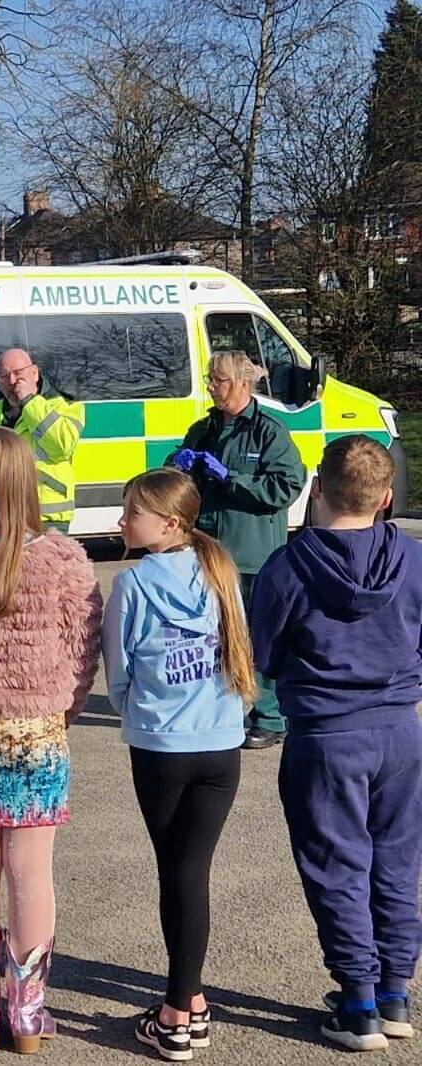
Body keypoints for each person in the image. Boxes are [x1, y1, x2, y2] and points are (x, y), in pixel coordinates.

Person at [248, 436, 422, 1052]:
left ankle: (359, 1000)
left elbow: (261, 656)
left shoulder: (288, 567)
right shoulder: (414, 558)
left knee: (337, 867)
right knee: (398, 861)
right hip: (402, 728)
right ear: (387, 496)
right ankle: (396, 989)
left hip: (325, 733)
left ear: (315, 488)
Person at [0, 427, 102, 1054]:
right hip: (37, 731)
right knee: (32, 873)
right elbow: (83, 647)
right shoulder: (62, 557)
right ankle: (29, 1015)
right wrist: (64, 707)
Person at [103, 468, 254, 1062]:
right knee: (192, 872)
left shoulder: (133, 583)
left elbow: (117, 674)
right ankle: (189, 1004)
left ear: (168, 523)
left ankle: (177, 1011)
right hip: (221, 744)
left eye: (131, 511)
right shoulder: (219, 571)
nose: (121, 520)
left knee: (180, 874)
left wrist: (140, 710)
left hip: (164, 747)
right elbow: (239, 645)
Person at [169, 350, 306, 750]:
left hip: (251, 553)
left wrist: (232, 478)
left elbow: (285, 487)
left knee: (256, 636)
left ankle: (270, 716)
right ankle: (221, 707)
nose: (212, 386)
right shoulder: (203, 429)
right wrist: (179, 464)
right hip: (205, 550)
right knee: (212, 634)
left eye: (221, 380)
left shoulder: (269, 432)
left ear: (245, 383)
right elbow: (177, 478)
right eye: (212, 379)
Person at [0, 348, 83, 533]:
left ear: (34, 373)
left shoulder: (65, 406)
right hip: (0, 517)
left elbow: (61, 446)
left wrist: (30, 402)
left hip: (45, 518)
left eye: (18, 374)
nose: (12, 382)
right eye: (4, 376)